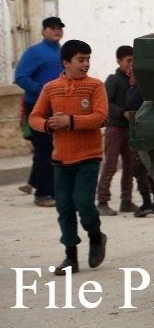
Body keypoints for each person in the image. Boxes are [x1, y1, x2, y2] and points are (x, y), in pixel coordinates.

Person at [28, 39, 108, 275]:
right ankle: (70, 257)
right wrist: (48, 125)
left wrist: (70, 121)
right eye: (80, 60)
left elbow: (101, 117)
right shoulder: (50, 88)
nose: (86, 64)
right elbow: (34, 117)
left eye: (88, 59)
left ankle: (96, 235)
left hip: (89, 158)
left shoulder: (95, 86)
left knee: (83, 203)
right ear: (66, 63)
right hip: (61, 160)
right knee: (64, 209)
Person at [14, 16, 65, 207]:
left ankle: (51, 189)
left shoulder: (62, 52)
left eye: (59, 27)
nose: (57, 30)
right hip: (38, 106)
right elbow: (20, 77)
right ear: (43, 31)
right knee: (45, 151)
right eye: (52, 27)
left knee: (56, 150)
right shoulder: (34, 52)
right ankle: (42, 194)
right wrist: (43, 91)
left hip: (58, 108)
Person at [96, 45, 138, 216]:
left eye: (134, 61)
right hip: (114, 129)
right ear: (119, 61)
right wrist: (122, 112)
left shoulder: (135, 80)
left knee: (130, 167)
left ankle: (126, 201)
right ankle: (102, 201)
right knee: (111, 165)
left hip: (129, 129)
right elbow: (105, 103)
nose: (131, 64)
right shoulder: (113, 80)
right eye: (128, 61)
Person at [126, 75, 154, 217]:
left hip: (143, 130)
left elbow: (131, 102)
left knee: (142, 167)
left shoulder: (144, 83)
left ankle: (150, 202)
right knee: (148, 167)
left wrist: (133, 85)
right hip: (147, 128)